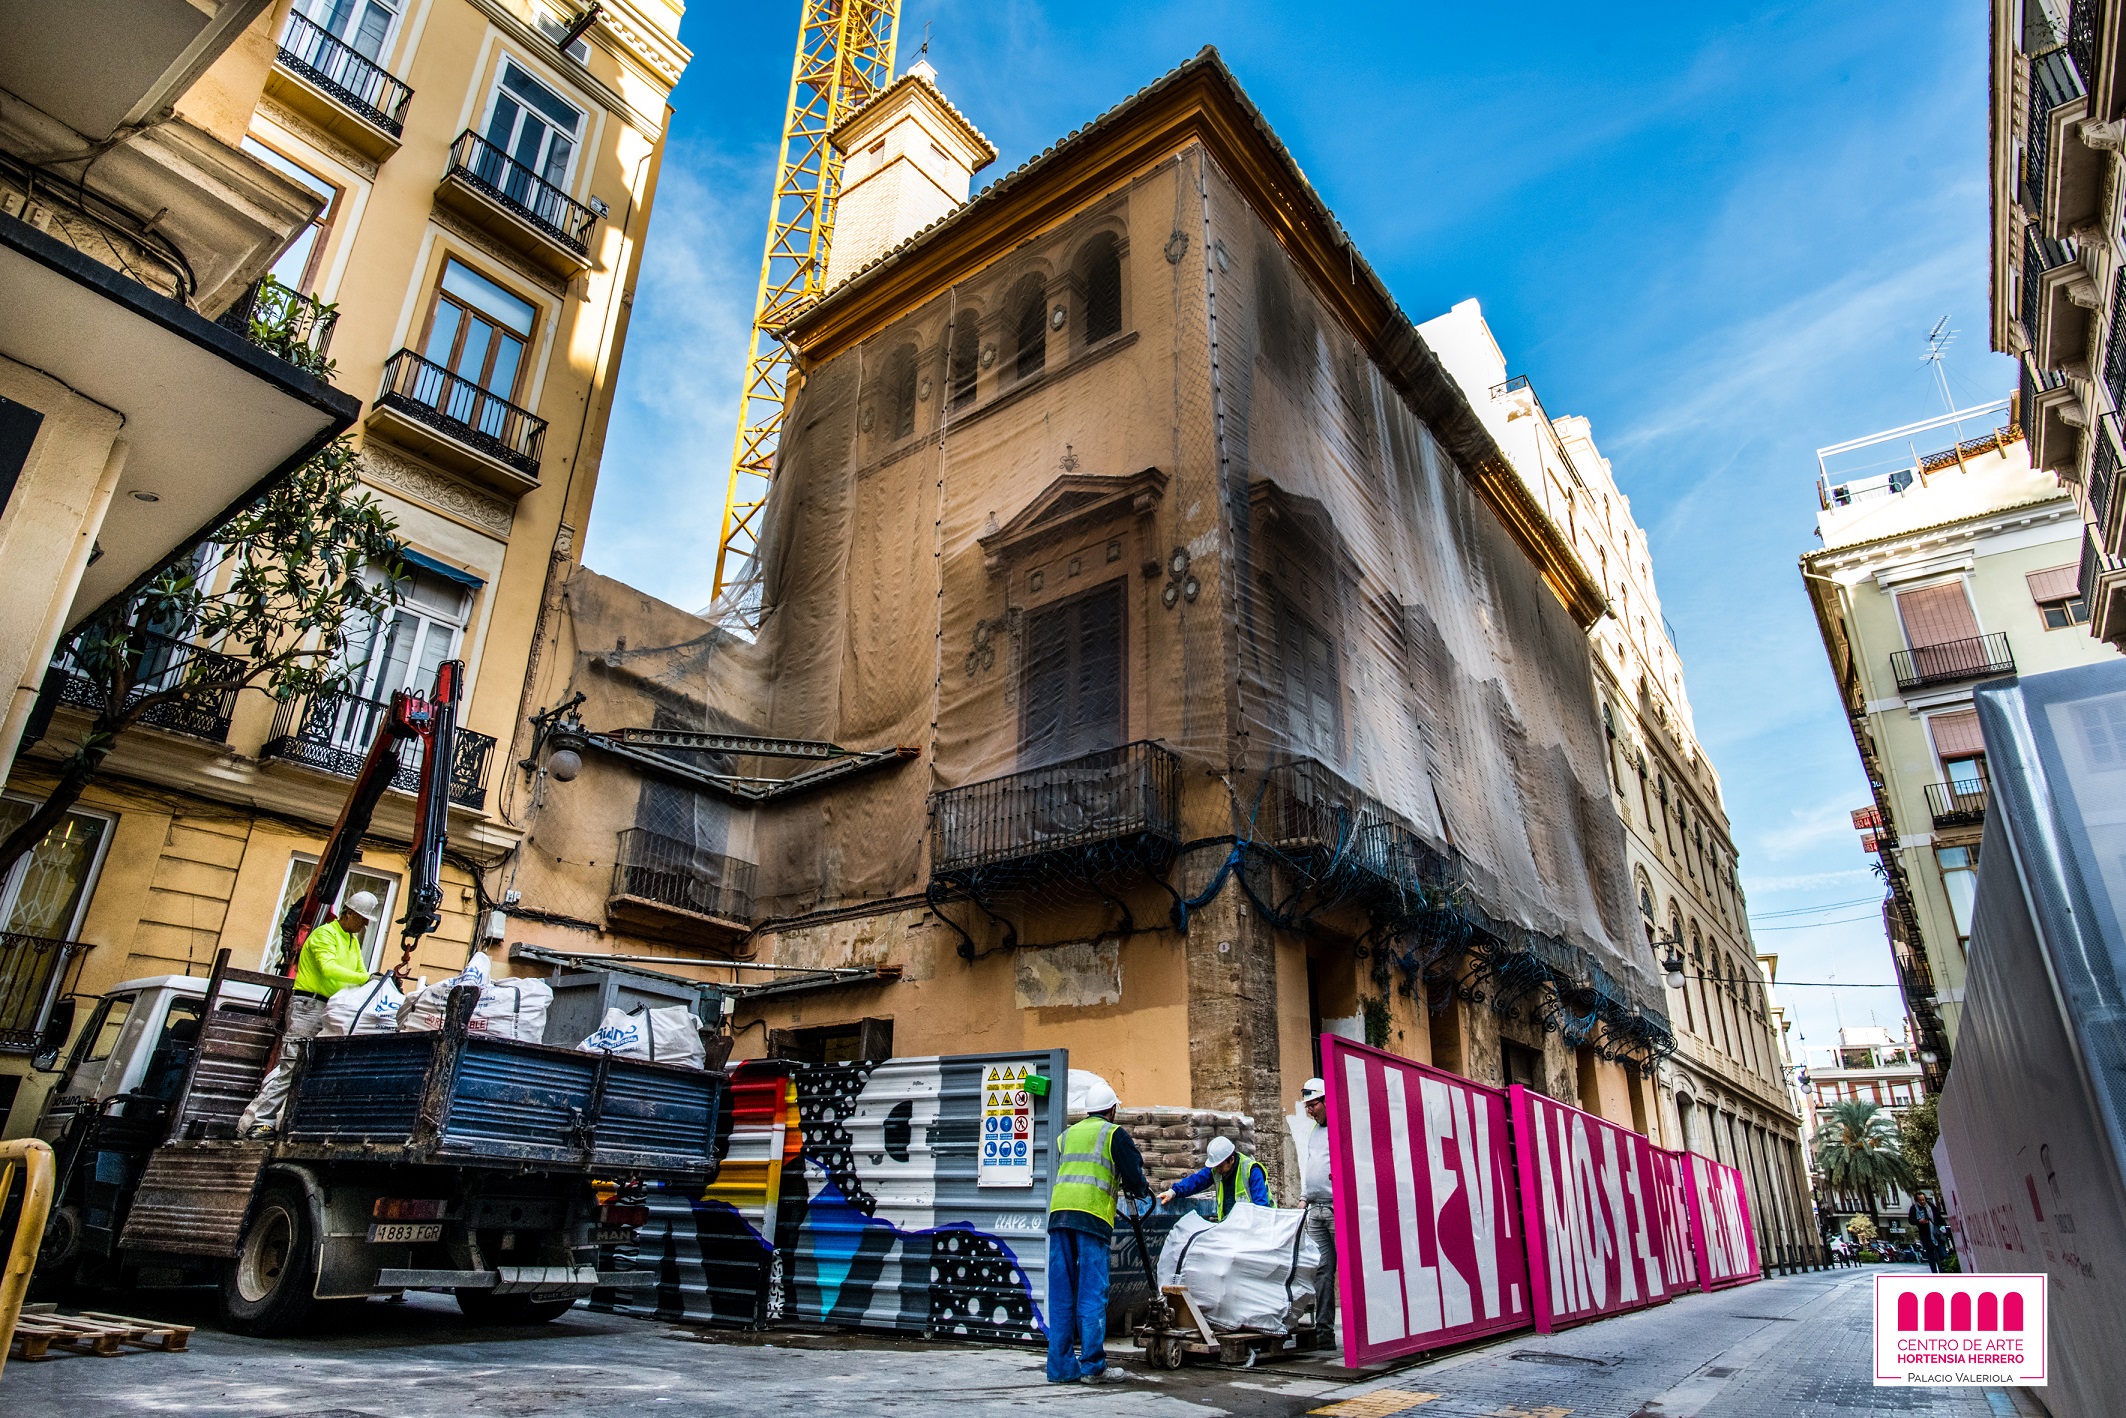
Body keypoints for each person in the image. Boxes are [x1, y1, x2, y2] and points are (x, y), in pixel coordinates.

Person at [238, 891, 378, 1137]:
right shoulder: (324, 935)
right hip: (309, 1005)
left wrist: (373, 982)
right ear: (349, 913)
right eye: (362, 919)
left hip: (332, 1008)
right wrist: (368, 978)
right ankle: (260, 1122)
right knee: (292, 1065)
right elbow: (329, 969)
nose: (365, 925)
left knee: (316, 1067)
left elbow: (359, 971)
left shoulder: (351, 941)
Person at [1046, 1075, 1149, 1386]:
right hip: (1091, 1217)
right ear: (1112, 1110)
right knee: (1092, 1292)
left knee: (1062, 1293)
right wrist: (1140, 1189)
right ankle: (1092, 1366)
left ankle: (1061, 1368)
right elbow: (1134, 1176)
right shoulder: (1113, 1134)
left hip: (1060, 1215)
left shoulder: (1066, 1135)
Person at [1296, 1077, 1336, 1336]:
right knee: (1322, 1271)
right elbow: (1310, 1166)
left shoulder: (1341, 1127)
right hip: (1316, 1210)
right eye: (1307, 1106)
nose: (1309, 1111)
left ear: (1326, 1101)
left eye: (1313, 1105)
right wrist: (1303, 1197)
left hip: (1337, 1210)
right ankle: (1324, 1332)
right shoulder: (1315, 1132)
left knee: (1352, 1268)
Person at [1157, 1135, 1273, 1219]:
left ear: (1231, 1159)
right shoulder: (1217, 1169)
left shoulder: (1252, 1171)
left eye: (1220, 1166)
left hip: (1254, 1231)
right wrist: (1173, 1192)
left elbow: (1261, 1209)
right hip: (1232, 1229)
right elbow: (1196, 1181)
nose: (1217, 1170)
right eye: (1215, 1166)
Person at [1908, 1192, 1944, 1272]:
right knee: (1930, 1255)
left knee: (1942, 1254)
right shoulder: (1914, 1208)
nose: (1922, 1202)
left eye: (1923, 1200)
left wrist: (1942, 1227)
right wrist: (1919, 1221)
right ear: (1917, 1200)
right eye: (1920, 1200)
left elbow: (1938, 1216)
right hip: (1925, 1235)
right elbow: (1911, 1220)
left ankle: (1943, 1271)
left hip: (1936, 1233)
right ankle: (1934, 1272)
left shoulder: (1930, 1206)